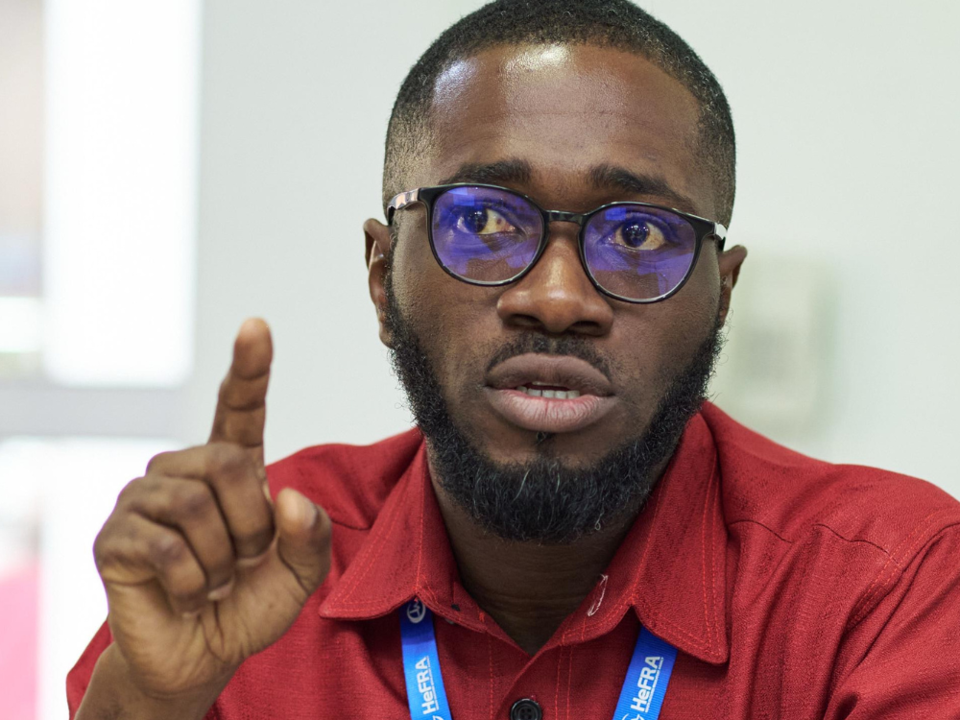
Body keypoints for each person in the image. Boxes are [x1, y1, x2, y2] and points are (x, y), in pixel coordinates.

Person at [68, 1, 960, 718]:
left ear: (721, 296)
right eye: (485, 222)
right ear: (384, 279)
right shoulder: (251, 576)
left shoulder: (885, 590)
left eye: (638, 233)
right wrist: (153, 700)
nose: (559, 300)